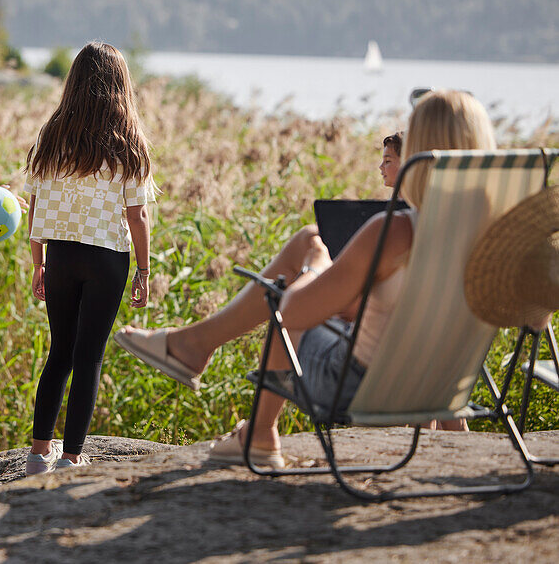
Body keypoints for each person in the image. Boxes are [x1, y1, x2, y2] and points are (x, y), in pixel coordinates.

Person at [116, 90, 494, 467]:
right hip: (441, 386)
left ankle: (254, 426)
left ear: (421, 152)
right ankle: (195, 346)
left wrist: (316, 265)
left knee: (306, 245)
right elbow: (535, 318)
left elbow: (292, 313)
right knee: (323, 272)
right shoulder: (499, 234)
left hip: (363, 388)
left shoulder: (395, 232)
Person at [24, 42, 155, 474]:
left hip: (60, 254)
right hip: (106, 258)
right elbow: (137, 215)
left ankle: (39, 453)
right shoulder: (129, 140)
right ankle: (73, 456)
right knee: (89, 357)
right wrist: (143, 269)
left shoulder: (52, 134)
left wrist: (38, 260)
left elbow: (37, 200)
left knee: (58, 351)